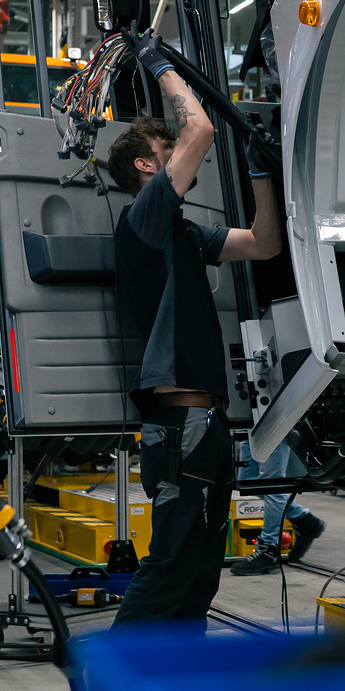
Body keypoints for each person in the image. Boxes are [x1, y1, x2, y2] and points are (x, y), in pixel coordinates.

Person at [108, 31, 283, 626]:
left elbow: (263, 244)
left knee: (201, 570)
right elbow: (201, 131)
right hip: (180, 416)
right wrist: (156, 61)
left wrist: (262, 170)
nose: (180, 151)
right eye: (167, 147)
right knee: (171, 564)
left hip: (206, 418)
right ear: (145, 165)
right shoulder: (144, 221)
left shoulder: (182, 233)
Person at [230, 437, 325, 575]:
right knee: (249, 482)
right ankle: (304, 519)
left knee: (272, 483)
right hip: (250, 427)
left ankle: (269, 550)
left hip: (271, 424)